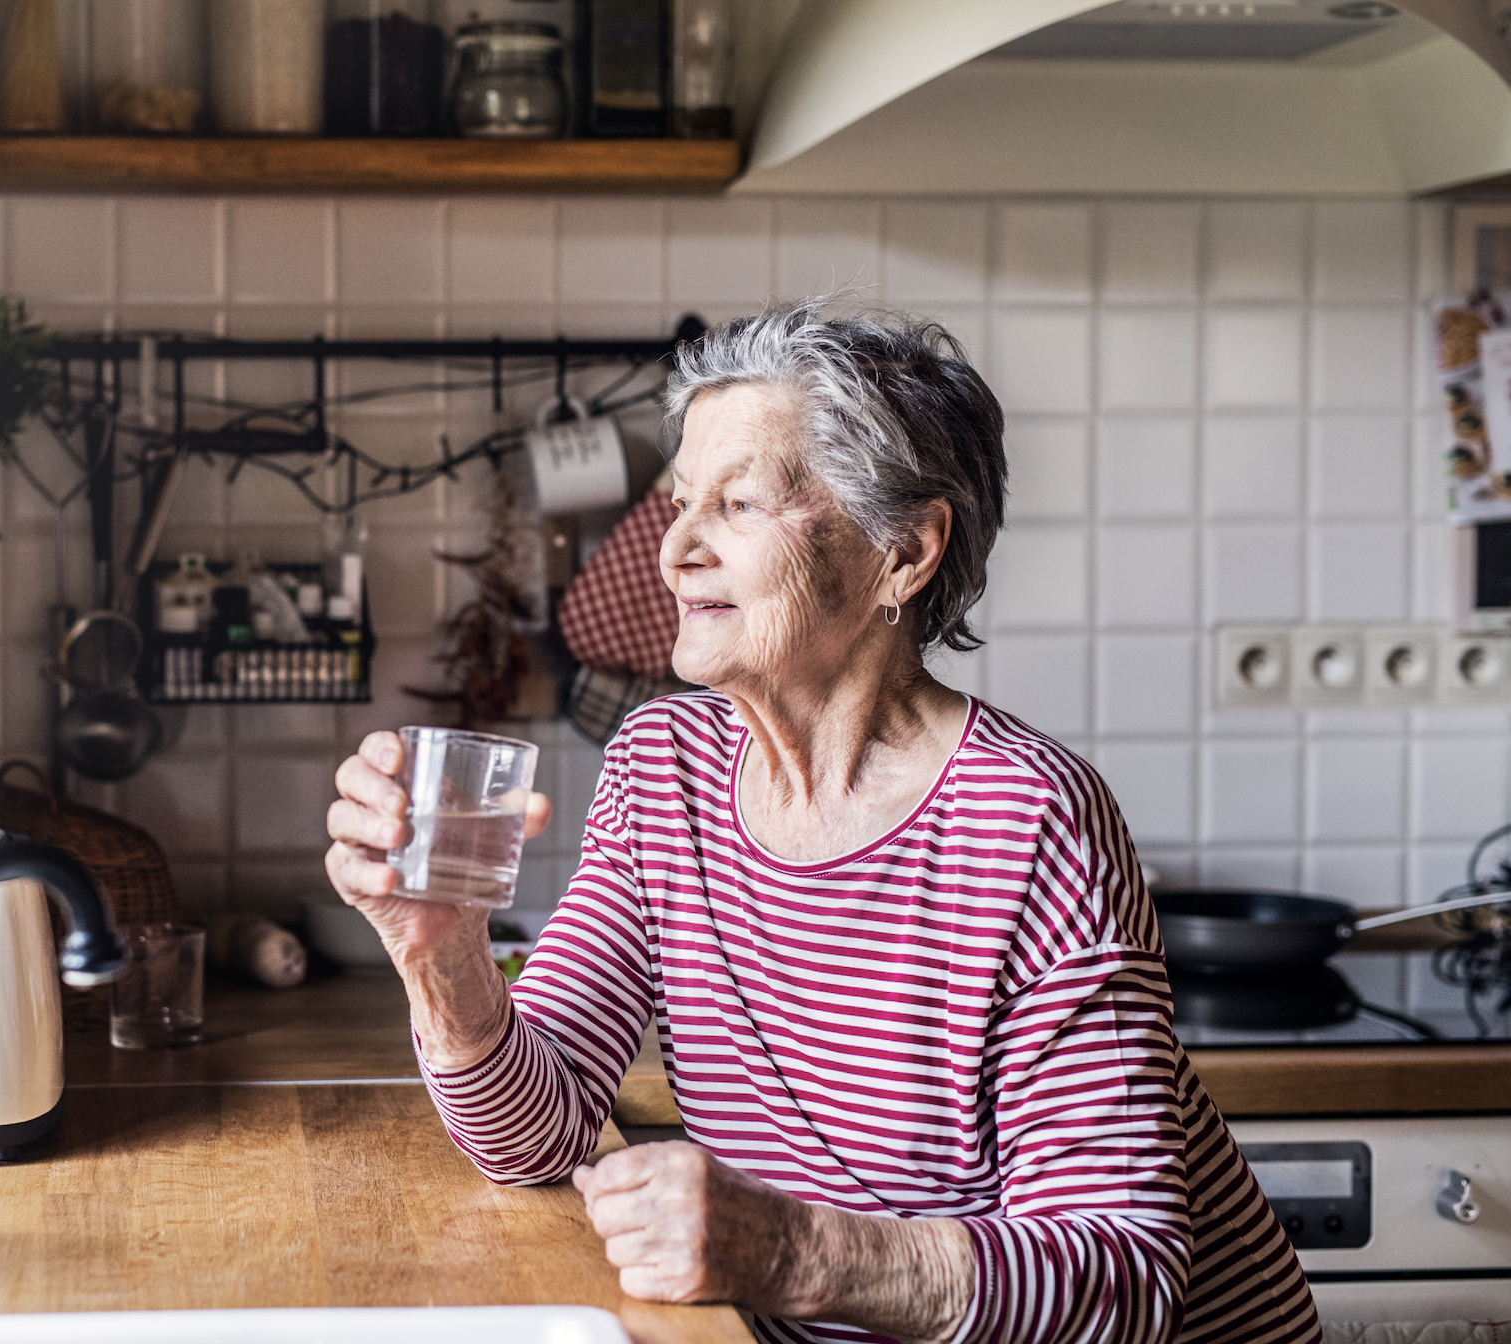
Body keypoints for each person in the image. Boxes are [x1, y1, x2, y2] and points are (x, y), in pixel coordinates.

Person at [325, 301, 1317, 1344]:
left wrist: (788, 1251)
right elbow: (538, 1133)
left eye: (740, 504)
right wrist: (441, 960)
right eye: (680, 502)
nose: (675, 552)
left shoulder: (1028, 819)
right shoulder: (664, 769)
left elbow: (1120, 1281)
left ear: (902, 552)